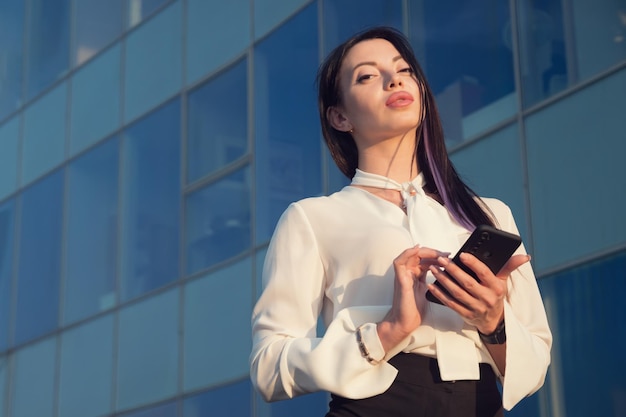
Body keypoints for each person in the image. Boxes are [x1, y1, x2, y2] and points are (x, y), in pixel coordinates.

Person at [250, 26, 552, 417]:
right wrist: (386, 332)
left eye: (404, 70)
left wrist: (492, 321)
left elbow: (536, 363)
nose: (394, 79)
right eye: (367, 75)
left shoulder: (490, 214)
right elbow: (268, 368)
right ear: (340, 116)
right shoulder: (311, 218)